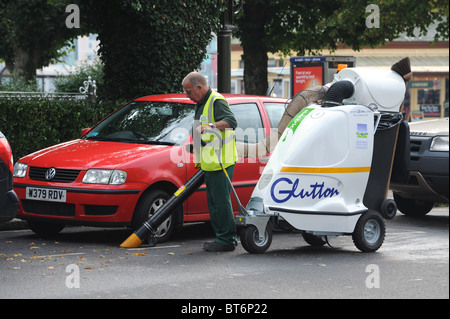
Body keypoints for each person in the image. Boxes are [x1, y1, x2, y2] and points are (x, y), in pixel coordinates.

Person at [182, 72, 238, 252]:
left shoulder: (216, 101)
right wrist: (197, 146)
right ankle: (222, 238)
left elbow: (231, 121)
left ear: (200, 87)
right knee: (215, 203)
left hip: (221, 161)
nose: (187, 96)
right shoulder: (202, 103)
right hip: (211, 162)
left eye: (189, 91)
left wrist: (211, 126)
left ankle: (227, 240)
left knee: (220, 202)